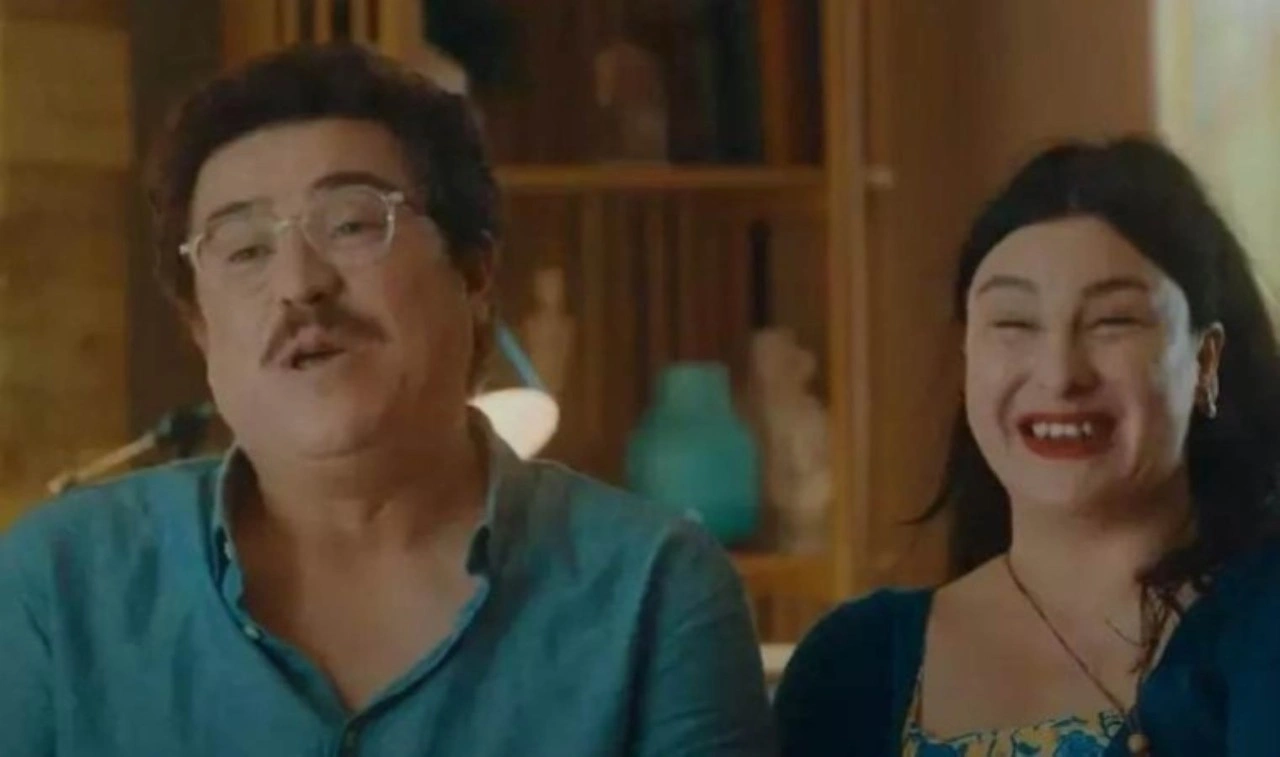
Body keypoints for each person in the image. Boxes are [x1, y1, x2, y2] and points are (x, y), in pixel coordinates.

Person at [0, 44, 774, 756]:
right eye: (244, 249)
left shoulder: (651, 590)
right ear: (200, 328)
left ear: (473, 273)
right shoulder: (61, 586)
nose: (299, 284)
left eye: (351, 224)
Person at [775, 138, 1280, 755]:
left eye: (1113, 321)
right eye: (1013, 323)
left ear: (1205, 362)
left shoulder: (1263, 618)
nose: (1059, 374)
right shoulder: (853, 663)